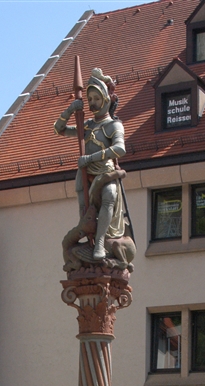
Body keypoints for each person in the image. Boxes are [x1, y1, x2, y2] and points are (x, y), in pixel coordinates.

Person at [54, 68, 126, 261]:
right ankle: (90, 240)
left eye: (97, 98)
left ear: (105, 99)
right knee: (85, 209)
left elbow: (120, 149)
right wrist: (71, 109)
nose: (93, 103)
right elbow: (59, 129)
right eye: (90, 99)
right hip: (85, 174)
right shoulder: (86, 126)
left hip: (105, 172)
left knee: (109, 196)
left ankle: (100, 242)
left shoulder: (113, 125)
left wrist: (90, 158)